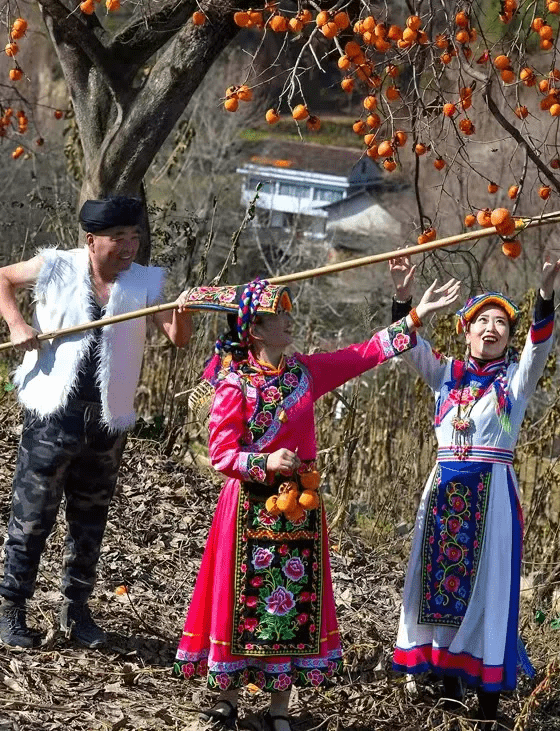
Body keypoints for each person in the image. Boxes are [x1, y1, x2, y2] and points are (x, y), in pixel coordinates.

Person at [172, 277, 460, 731]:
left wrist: (417, 315)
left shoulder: (305, 373)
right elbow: (221, 454)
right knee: (240, 598)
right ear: (257, 330)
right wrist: (265, 459)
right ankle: (226, 699)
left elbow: (362, 354)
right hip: (250, 505)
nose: (290, 320)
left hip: (301, 507)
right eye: (280, 316)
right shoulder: (234, 383)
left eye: (288, 312)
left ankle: (279, 708)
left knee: (293, 602)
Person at [0, 196, 194, 649]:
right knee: (32, 515)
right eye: (118, 239)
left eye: (135, 237)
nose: (129, 247)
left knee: (90, 519)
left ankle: (75, 611)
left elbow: (177, 337)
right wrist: (16, 324)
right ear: (92, 240)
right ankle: (12, 607)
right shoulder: (57, 266)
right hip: (53, 413)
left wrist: (183, 311)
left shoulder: (143, 282)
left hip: (107, 420)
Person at [389, 248, 560, 730]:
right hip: (444, 492)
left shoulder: (515, 381)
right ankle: (448, 687)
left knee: (489, 592)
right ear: (465, 331)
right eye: (482, 321)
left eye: (501, 324)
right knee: (437, 585)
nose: (491, 328)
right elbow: (406, 346)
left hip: (491, 498)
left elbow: (540, 345)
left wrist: (546, 293)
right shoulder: (445, 374)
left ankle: (488, 708)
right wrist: (405, 299)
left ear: (509, 338)